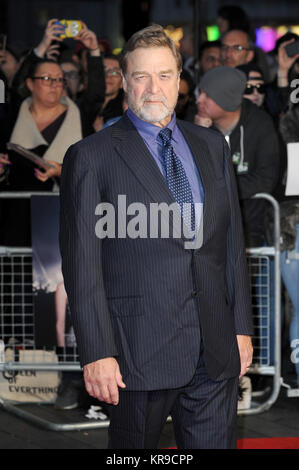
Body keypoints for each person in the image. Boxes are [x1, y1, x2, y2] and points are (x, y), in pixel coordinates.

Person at [60, 24, 253, 450]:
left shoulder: (211, 146)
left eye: (164, 75)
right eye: (141, 76)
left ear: (180, 82)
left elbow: (231, 246)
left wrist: (241, 326)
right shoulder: (91, 156)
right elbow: (81, 265)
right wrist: (96, 351)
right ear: (125, 82)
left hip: (214, 348)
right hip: (135, 353)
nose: (153, 87)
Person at [0, 58, 82, 246]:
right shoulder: (11, 120)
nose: (54, 85)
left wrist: (62, 171)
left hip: (63, 218)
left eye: (60, 79)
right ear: (30, 84)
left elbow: (93, 169)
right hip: (17, 219)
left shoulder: (80, 118)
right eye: (46, 78)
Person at [196, 66, 280, 247]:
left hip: (250, 231)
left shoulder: (260, 124)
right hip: (206, 232)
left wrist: (219, 189)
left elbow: (266, 178)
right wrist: (200, 136)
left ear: (225, 99)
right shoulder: (196, 124)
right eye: (200, 93)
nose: (199, 100)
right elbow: (191, 176)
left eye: (207, 95)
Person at [93, 54, 124, 132]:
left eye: (114, 73)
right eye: (103, 71)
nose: (108, 76)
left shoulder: (125, 113)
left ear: (122, 83)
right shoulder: (80, 106)